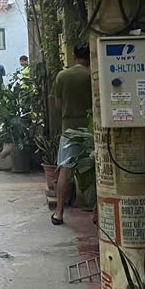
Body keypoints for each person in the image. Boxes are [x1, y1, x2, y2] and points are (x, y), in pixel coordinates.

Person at [51, 42, 92, 226]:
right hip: (90, 127)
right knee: (96, 169)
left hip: (69, 127)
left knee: (65, 169)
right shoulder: (91, 76)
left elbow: (58, 105)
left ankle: (59, 212)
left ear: (74, 56)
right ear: (89, 58)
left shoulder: (62, 76)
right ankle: (98, 212)